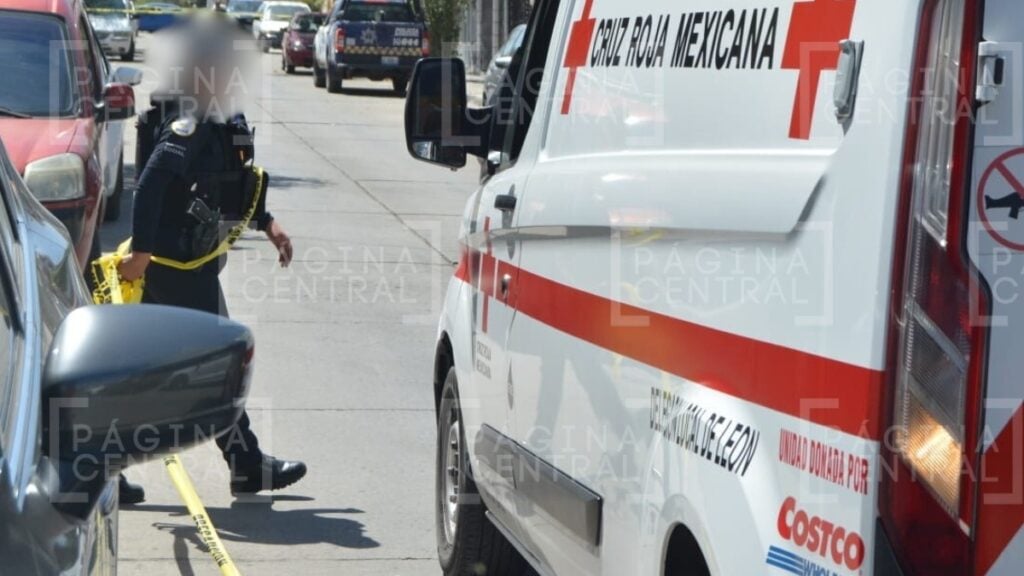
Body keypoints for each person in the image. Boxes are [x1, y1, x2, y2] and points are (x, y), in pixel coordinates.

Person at [117, 15, 306, 504]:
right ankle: (244, 464)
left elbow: (230, 179)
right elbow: (153, 182)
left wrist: (267, 223)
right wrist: (141, 254)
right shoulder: (192, 116)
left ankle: (98, 466)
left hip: (187, 261)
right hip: (173, 263)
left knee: (144, 368)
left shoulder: (217, 112)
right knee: (213, 364)